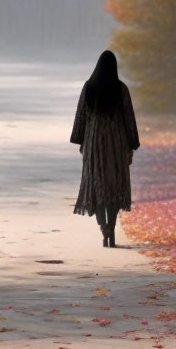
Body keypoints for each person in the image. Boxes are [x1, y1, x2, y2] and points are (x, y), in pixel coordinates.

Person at [70, 50, 140, 247]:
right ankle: (112, 227)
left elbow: (81, 116)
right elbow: (129, 118)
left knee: (97, 186)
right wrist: (132, 143)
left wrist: (80, 139)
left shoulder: (89, 88)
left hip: (94, 145)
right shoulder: (121, 89)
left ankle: (104, 228)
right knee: (115, 186)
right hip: (116, 144)